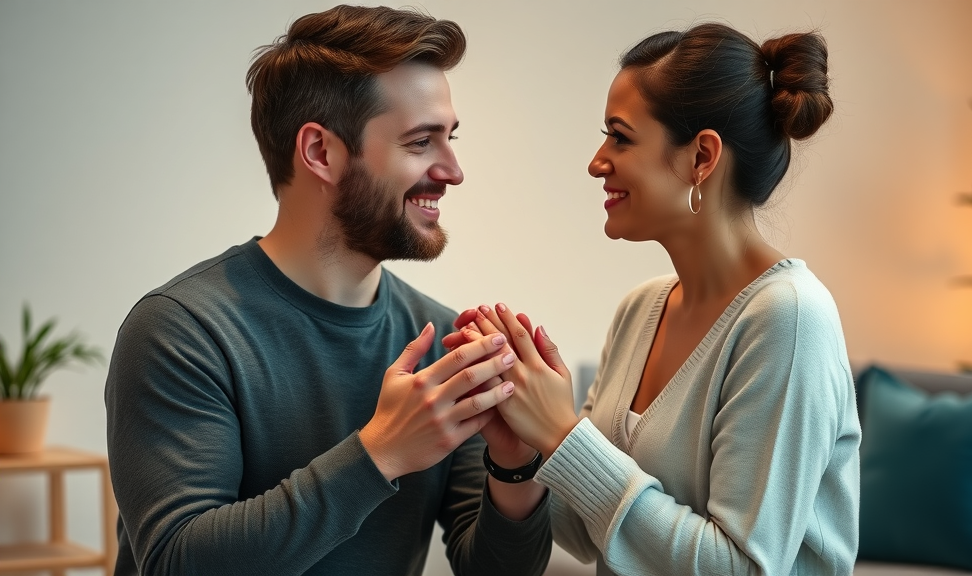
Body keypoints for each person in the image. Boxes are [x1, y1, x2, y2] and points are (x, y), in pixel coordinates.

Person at [104, 5, 550, 575]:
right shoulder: (182, 330)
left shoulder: (442, 342)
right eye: (421, 142)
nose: (453, 170)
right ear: (320, 152)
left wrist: (513, 466)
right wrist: (379, 453)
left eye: (450, 138)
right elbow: (177, 563)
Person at [449, 22, 860, 576]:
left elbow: (741, 569)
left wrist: (562, 434)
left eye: (620, 136)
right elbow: (588, 530)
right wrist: (519, 450)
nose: (597, 161)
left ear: (702, 157)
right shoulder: (641, 309)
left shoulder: (788, 318)